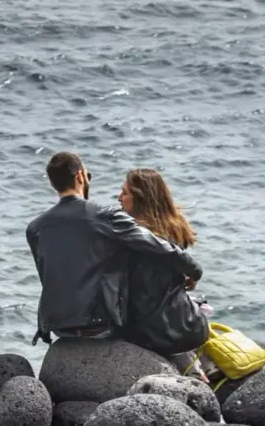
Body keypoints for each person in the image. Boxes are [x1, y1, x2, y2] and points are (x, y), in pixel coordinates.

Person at [26, 151, 201, 345]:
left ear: (52, 184)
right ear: (80, 177)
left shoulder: (35, 228)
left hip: (56, 326)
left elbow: (47, 276)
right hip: (99, 325)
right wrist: (194, 271)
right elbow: (161, 248)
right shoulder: (104, 216)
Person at [116, 167, 212, 359]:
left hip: (148, 335)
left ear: (140, 198)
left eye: (124, 193)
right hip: (189, 327)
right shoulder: (174, 227)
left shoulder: (131, 237)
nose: (119, 197)